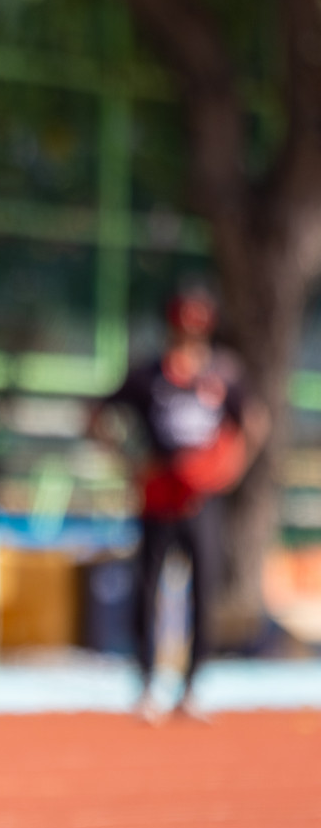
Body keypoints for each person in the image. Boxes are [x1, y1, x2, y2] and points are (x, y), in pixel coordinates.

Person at [98, 289, 268, 722]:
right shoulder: (149, 374)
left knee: (204, 589)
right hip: (157, 500)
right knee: (147, 588)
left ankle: (191, 687)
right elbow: (97, 415)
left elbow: (254, 421)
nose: (188, 334)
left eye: (197, 325)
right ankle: (147, 682)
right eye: (181, 325)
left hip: (202, 502)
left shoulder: (224, 373)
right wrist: (130, 461)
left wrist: (228, 466)